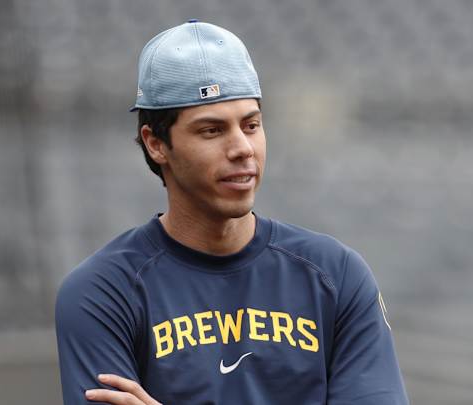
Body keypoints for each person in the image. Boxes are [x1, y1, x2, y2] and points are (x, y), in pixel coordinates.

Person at [55, 20, 409, 405]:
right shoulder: (104, 292)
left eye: (251, 125)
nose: (243, 148)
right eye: (212, 130)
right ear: (156, 144)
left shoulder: (336, 275)